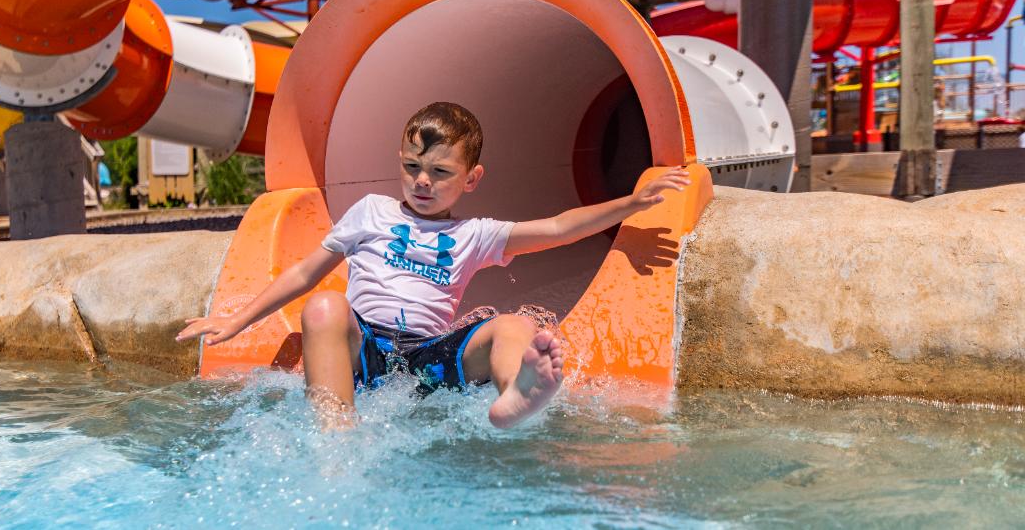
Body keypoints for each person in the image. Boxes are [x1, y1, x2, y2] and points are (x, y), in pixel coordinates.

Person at [177, 102, 690, 429]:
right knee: (325, 305)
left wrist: (630, 204)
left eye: (441, 172)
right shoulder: (370, 213)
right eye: (411, 166)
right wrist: (237, 318)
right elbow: (303, 273)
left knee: (513, 325)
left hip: (430, 358)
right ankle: (336, 436)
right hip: (367, 348)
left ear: (471, 178)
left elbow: (557, 227)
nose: (423, 181)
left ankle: (517, 394)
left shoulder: (475, 235)